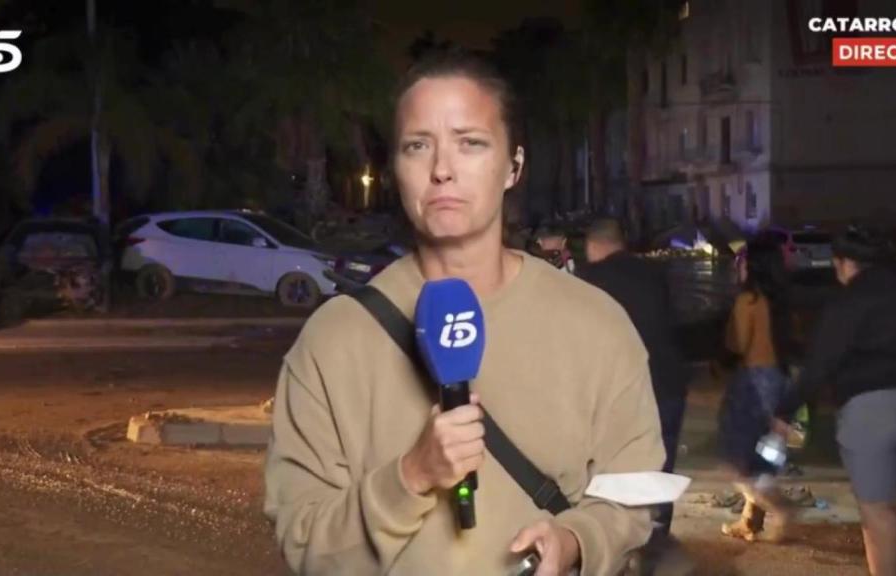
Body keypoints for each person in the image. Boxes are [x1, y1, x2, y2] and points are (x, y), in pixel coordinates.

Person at [263, 50, 665, 576]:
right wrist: (409, 477)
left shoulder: (598, 326)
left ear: (513, 166)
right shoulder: (332, 342)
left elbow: (634, 492)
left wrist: (576, 540)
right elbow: (304, 544)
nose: (443, 170)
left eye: (470, 143)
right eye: (417, 146)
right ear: (395, 171)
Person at [777, 227, 896, 576]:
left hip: (875, 415)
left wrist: (784, 410)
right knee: (895, 492)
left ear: (843, 263)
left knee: (877, 511)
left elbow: (819, 364)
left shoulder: (847, 300)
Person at [580, 219, 690, 548]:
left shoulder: (587, 280)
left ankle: (617, 538)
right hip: (667, 381)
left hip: (620, 388)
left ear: (593, 246)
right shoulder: (656, 275)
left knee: (611, 463)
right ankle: (657, 531)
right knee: (660, 458)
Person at [717, 238, 795, 543]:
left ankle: (781, 509)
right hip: (780, 380)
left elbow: (736, 343)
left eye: (744, 260)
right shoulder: (781, 300)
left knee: (735, 459)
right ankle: (750, 521)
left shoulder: (748, 300)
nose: (739, 265)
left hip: (753, 381)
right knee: (763, 454)